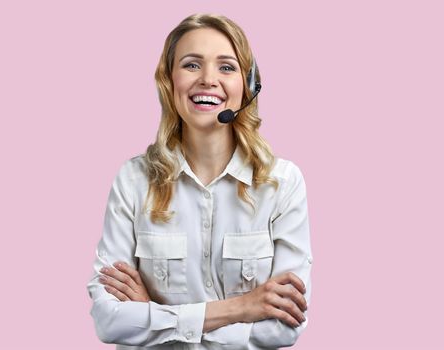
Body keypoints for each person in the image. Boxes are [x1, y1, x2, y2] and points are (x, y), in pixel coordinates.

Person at [86, 13, 313, 349]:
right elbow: (109, 321)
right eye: (192, 65)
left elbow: (283, 328)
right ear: (169, 80)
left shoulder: (282, 183)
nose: (208, 79)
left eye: (226, 67)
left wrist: (153, 313)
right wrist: (241, 308)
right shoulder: (133, 181)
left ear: (248, 86)